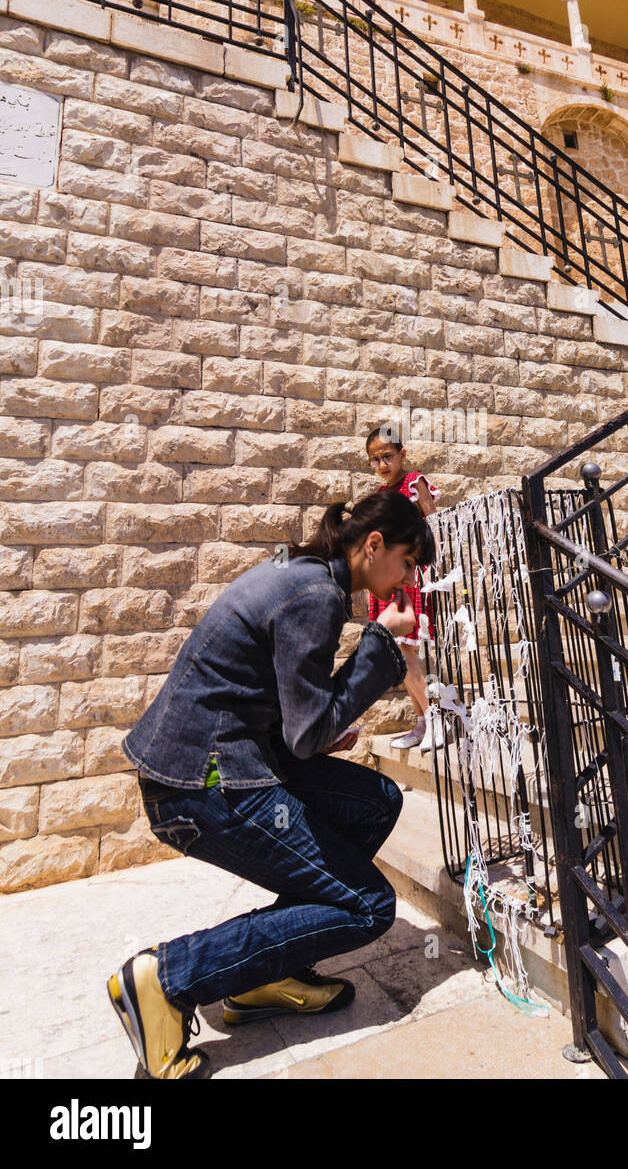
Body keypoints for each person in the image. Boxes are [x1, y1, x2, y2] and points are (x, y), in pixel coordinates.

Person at [107, 490, 435, 1080]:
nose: (408, 577)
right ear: (375, 544)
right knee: (368, 904)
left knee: (376, 801)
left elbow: (294, 715)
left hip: (228, 761)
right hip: (204, 780)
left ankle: (267, 973)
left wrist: (318, 728)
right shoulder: (316, 594)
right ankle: (169, 978)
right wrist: (382, 644)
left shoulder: (306, 576)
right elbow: (310, 731)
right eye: (408, 562)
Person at [365, 426, 440, 751]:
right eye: (375, 459)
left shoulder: (414, 483)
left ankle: (436, 718)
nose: (382, 464)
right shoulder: (382, 494)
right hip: (387, 576)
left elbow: (435, 524)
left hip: (410, 573)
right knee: (395, 647)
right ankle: (422, 721)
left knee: (403, 645)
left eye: (388, 456)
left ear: (402, 454)